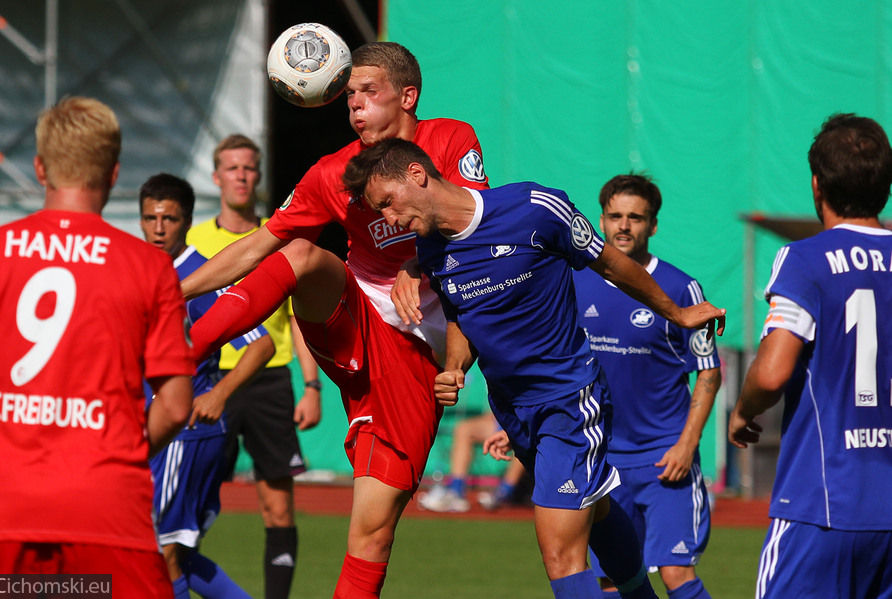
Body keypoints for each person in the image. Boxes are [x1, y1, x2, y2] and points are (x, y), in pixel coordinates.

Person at [340, 137, 726, 599]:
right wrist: (455, 365)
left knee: (560, 552)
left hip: (569, 397)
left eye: (387, 202)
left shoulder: (535, 207)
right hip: (514, 410)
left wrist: (677, 314)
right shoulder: (430, 251)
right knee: (598, 510)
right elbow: (461, 314)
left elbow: (610, 263)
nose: (389, 219)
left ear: (417, 175)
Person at [180, 42, 489, 597]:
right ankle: (182, 350)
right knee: (299, 254)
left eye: (368, 92)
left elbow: (475, 230)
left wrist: (419, 263)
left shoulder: (450, 139)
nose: (355, 105)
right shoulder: (331, 173)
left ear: (408, 96)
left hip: (417, 362)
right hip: (357, 320)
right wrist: (169, 292)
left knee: (371, 534)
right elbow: (256, 248)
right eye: (349, 95)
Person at [0, 97, 194, 595]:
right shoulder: (148, 267)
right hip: (106, 510)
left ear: (40, 167)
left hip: (3, 508)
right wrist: (110, 449)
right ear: (114, 172)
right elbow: (173, 407)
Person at [728, 113, 892, 598]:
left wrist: (742, 410)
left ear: (817, 184)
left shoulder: (805, 259)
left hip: (823, 503)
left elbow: (774, 371)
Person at [186, 134, 321, 599]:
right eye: (232, 167)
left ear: (258, 177)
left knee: (278, 509)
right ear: (216, 177)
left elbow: (298, 317)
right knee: (191, 506)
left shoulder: (279, 236)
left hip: (270, 380)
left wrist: (311, 386)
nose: (241, 175)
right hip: (210, 380)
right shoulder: (194, 240)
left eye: (249, 168)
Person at [574, 174, 720, 599]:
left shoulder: (680, 288)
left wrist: (686, 446)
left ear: (652, 225)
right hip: (602, 462)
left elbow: (708, 372)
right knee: (610, 582)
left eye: (635, 217)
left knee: (676, 573)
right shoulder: (576, 282)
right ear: (600, 220)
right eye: (615, 216)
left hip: (663, 459)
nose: (624, 225)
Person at [140, 173, 276, 599]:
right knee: (178, 553)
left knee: (159, 552)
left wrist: (219, 392)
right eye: (150, 218)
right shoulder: (142, 271)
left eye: (169, 218)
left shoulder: (200, 277)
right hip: (154, 433)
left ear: (187, 221)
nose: (159, 227)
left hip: (186, 435)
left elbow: (262, 344)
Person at [417, 411, 528, 512]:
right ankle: (456, 492)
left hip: (528, 421)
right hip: (506, 420)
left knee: (525, 438)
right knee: (464, 429)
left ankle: (504, 493)